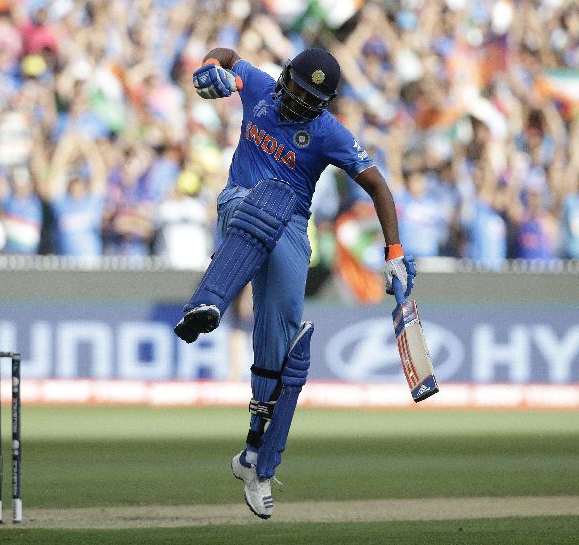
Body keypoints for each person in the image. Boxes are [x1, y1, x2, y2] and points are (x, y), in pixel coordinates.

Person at [174, 47, 416, 519]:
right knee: (261, 200)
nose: (295, 102)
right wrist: (211, 70)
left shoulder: (328, 132)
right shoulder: (260, 87)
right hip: (239, 203)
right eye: (295, 89)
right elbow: (224, 57)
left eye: (309, 99)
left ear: (322, 105)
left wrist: (394, 253)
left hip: (290, 230)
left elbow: (379, 186)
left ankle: (255, 458)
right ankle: (210, 301)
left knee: (284, 341)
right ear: (284, 77)